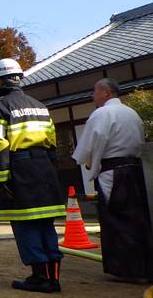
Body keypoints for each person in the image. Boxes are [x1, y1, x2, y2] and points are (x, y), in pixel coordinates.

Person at [0, 58, 66, 293]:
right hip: (45, 170)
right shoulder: (40, 105)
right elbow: (52, 142)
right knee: (45, 223)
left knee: (25, 224)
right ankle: (54, 278)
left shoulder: (0, 105)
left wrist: (1, 180)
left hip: (19, 168)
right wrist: (50, 170)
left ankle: (40, 277)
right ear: (19, 78)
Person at [72, 78, 153, 282]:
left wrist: (89, 161)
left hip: (113, 172)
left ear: (106, 93)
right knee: (138, 218)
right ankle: (145, 265)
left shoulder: (102, 114)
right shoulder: (131, 113)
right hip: (135, 169)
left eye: (95, 92)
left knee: (118, 219)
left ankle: (129, 269)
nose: (93, 96)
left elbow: (91, 144)